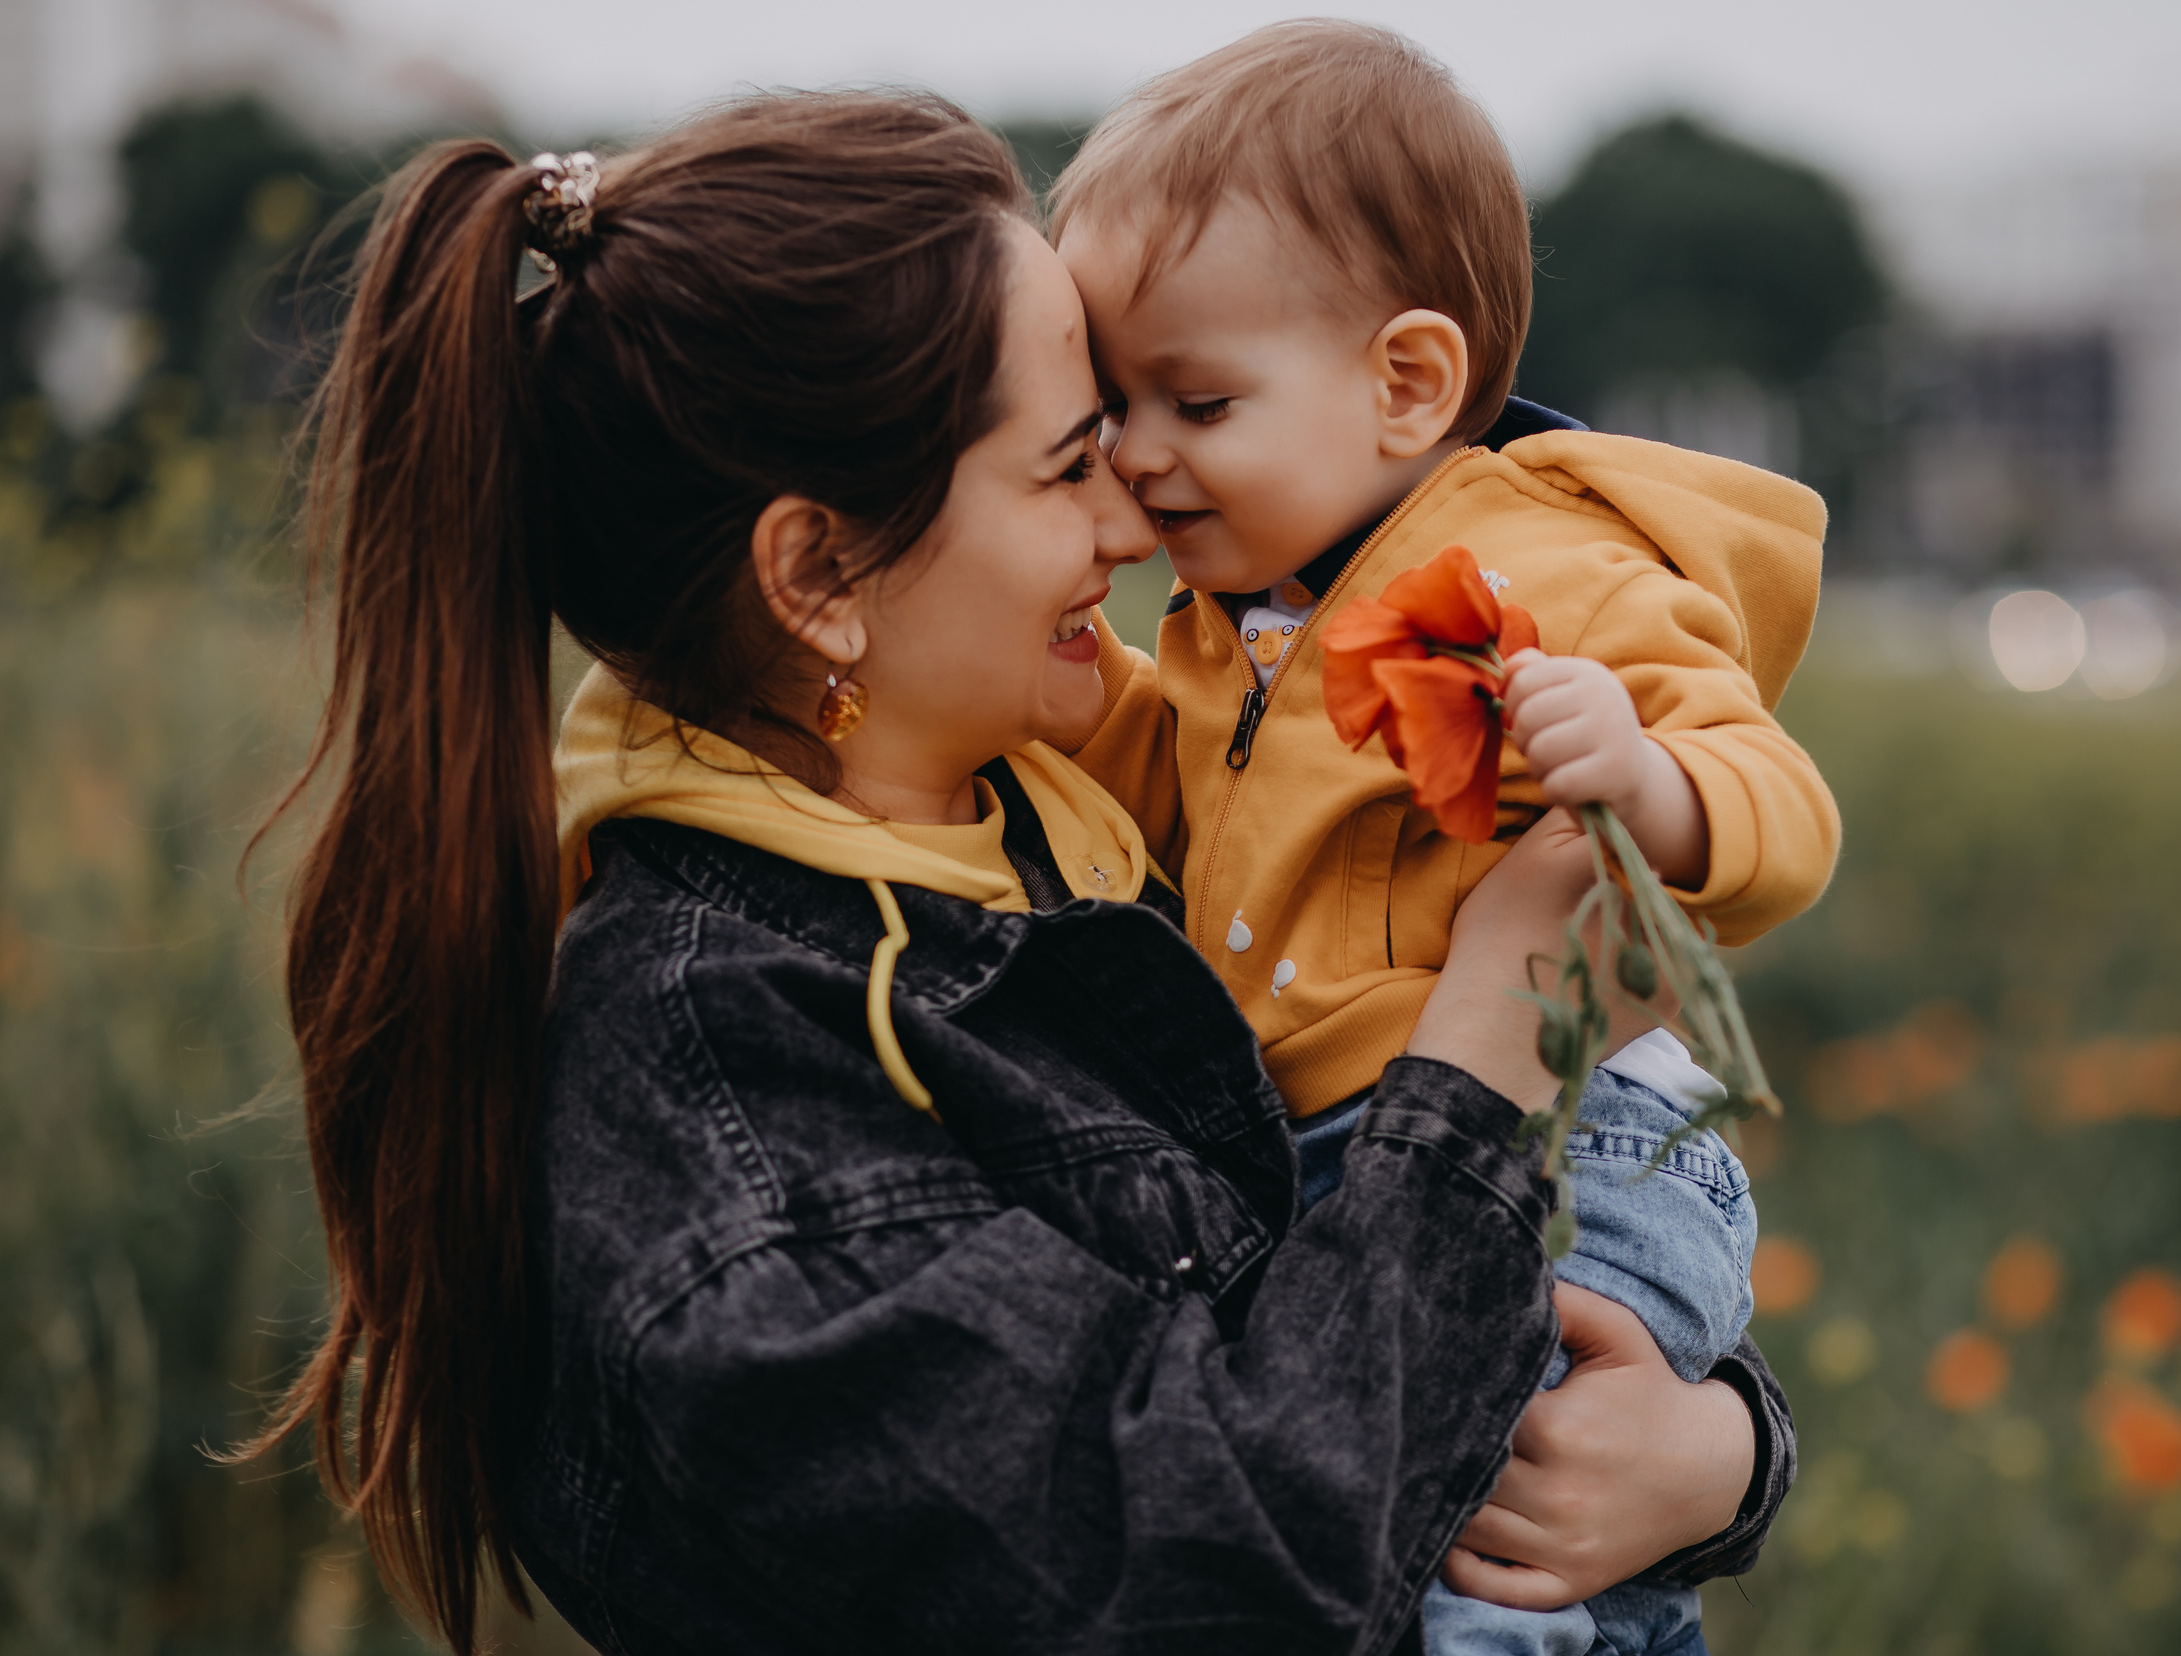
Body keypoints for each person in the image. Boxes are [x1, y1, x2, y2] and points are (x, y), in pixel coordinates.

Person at [242, 90, 1793, 1656]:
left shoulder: (1048, 821)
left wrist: (1714, 1457)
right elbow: (1218, 1587)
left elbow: (1348, 1297)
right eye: (1068, 465)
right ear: (819, 576)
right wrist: (1494, 1044)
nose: (1135, 514)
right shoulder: (738, 1106)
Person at [1047, 21, 1842, 1656]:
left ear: (1407, 384)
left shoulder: (1551, 574)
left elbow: (1785, 810)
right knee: (1488, 1541)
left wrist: (1646, 779)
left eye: (1196, 399)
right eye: (1111, 402)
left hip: (1572, 1155)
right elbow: (1155, 792)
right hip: (1372, 1162)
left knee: (1484, 1550)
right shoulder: (1233, 619)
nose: (1135, 452)